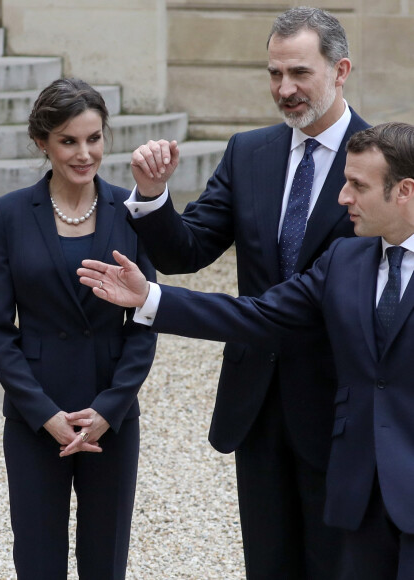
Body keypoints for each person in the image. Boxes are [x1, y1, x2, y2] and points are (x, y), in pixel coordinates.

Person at [79, 121, 414, 580]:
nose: (343, 197)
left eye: (357, 185)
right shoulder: (345, 260)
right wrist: (151, 299)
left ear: (404, 192)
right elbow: (259, 315)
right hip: (357, 491)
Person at [123, 6, 368, 578]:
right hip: (256, 402)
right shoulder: (248, 151)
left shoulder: (378, 157)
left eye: (300, 73)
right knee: (268, 562)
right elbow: (185, 252)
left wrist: (151, 303)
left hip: (341, 405)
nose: (285, 89)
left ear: (341, 70)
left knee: (339, 564)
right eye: (274, 73)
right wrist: (153, 197)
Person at [0, 77, 157, 580]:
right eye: (69, 140)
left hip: (111, 416)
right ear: (42, 141)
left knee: (106, 560)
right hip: (37, 417)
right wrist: (43, 414)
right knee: (37, 561)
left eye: (94, 138)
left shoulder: (132, 211)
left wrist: (109, 407)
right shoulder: (9, 214)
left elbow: (146, 320)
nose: (85, 153)